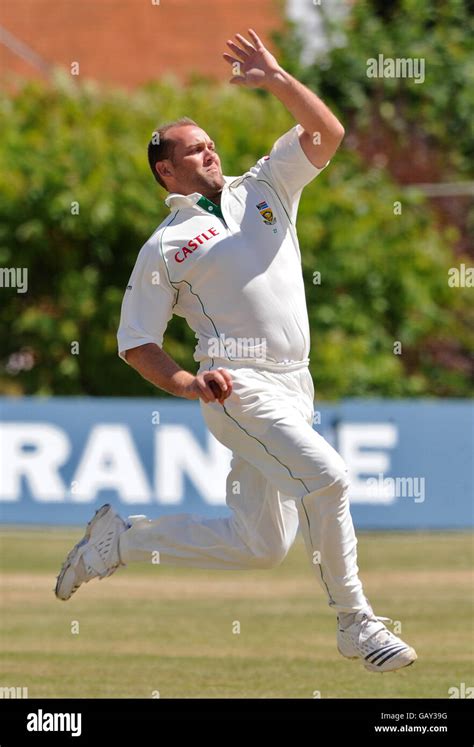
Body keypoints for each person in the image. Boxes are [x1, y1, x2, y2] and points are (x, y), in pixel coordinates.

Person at [55, 29, 417, 673]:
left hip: (295, 386)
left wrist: (278, 80)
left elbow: (326, 134)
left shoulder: (265, 187)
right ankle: (356, 624)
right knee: (329, 479)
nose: (210, 152)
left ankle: (122, 541)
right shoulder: (165, 246)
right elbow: (137, 344)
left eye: (211, 143)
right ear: (167, 170)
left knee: (261, 546)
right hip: (236, 384)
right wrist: (191, 385)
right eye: (193, 150)